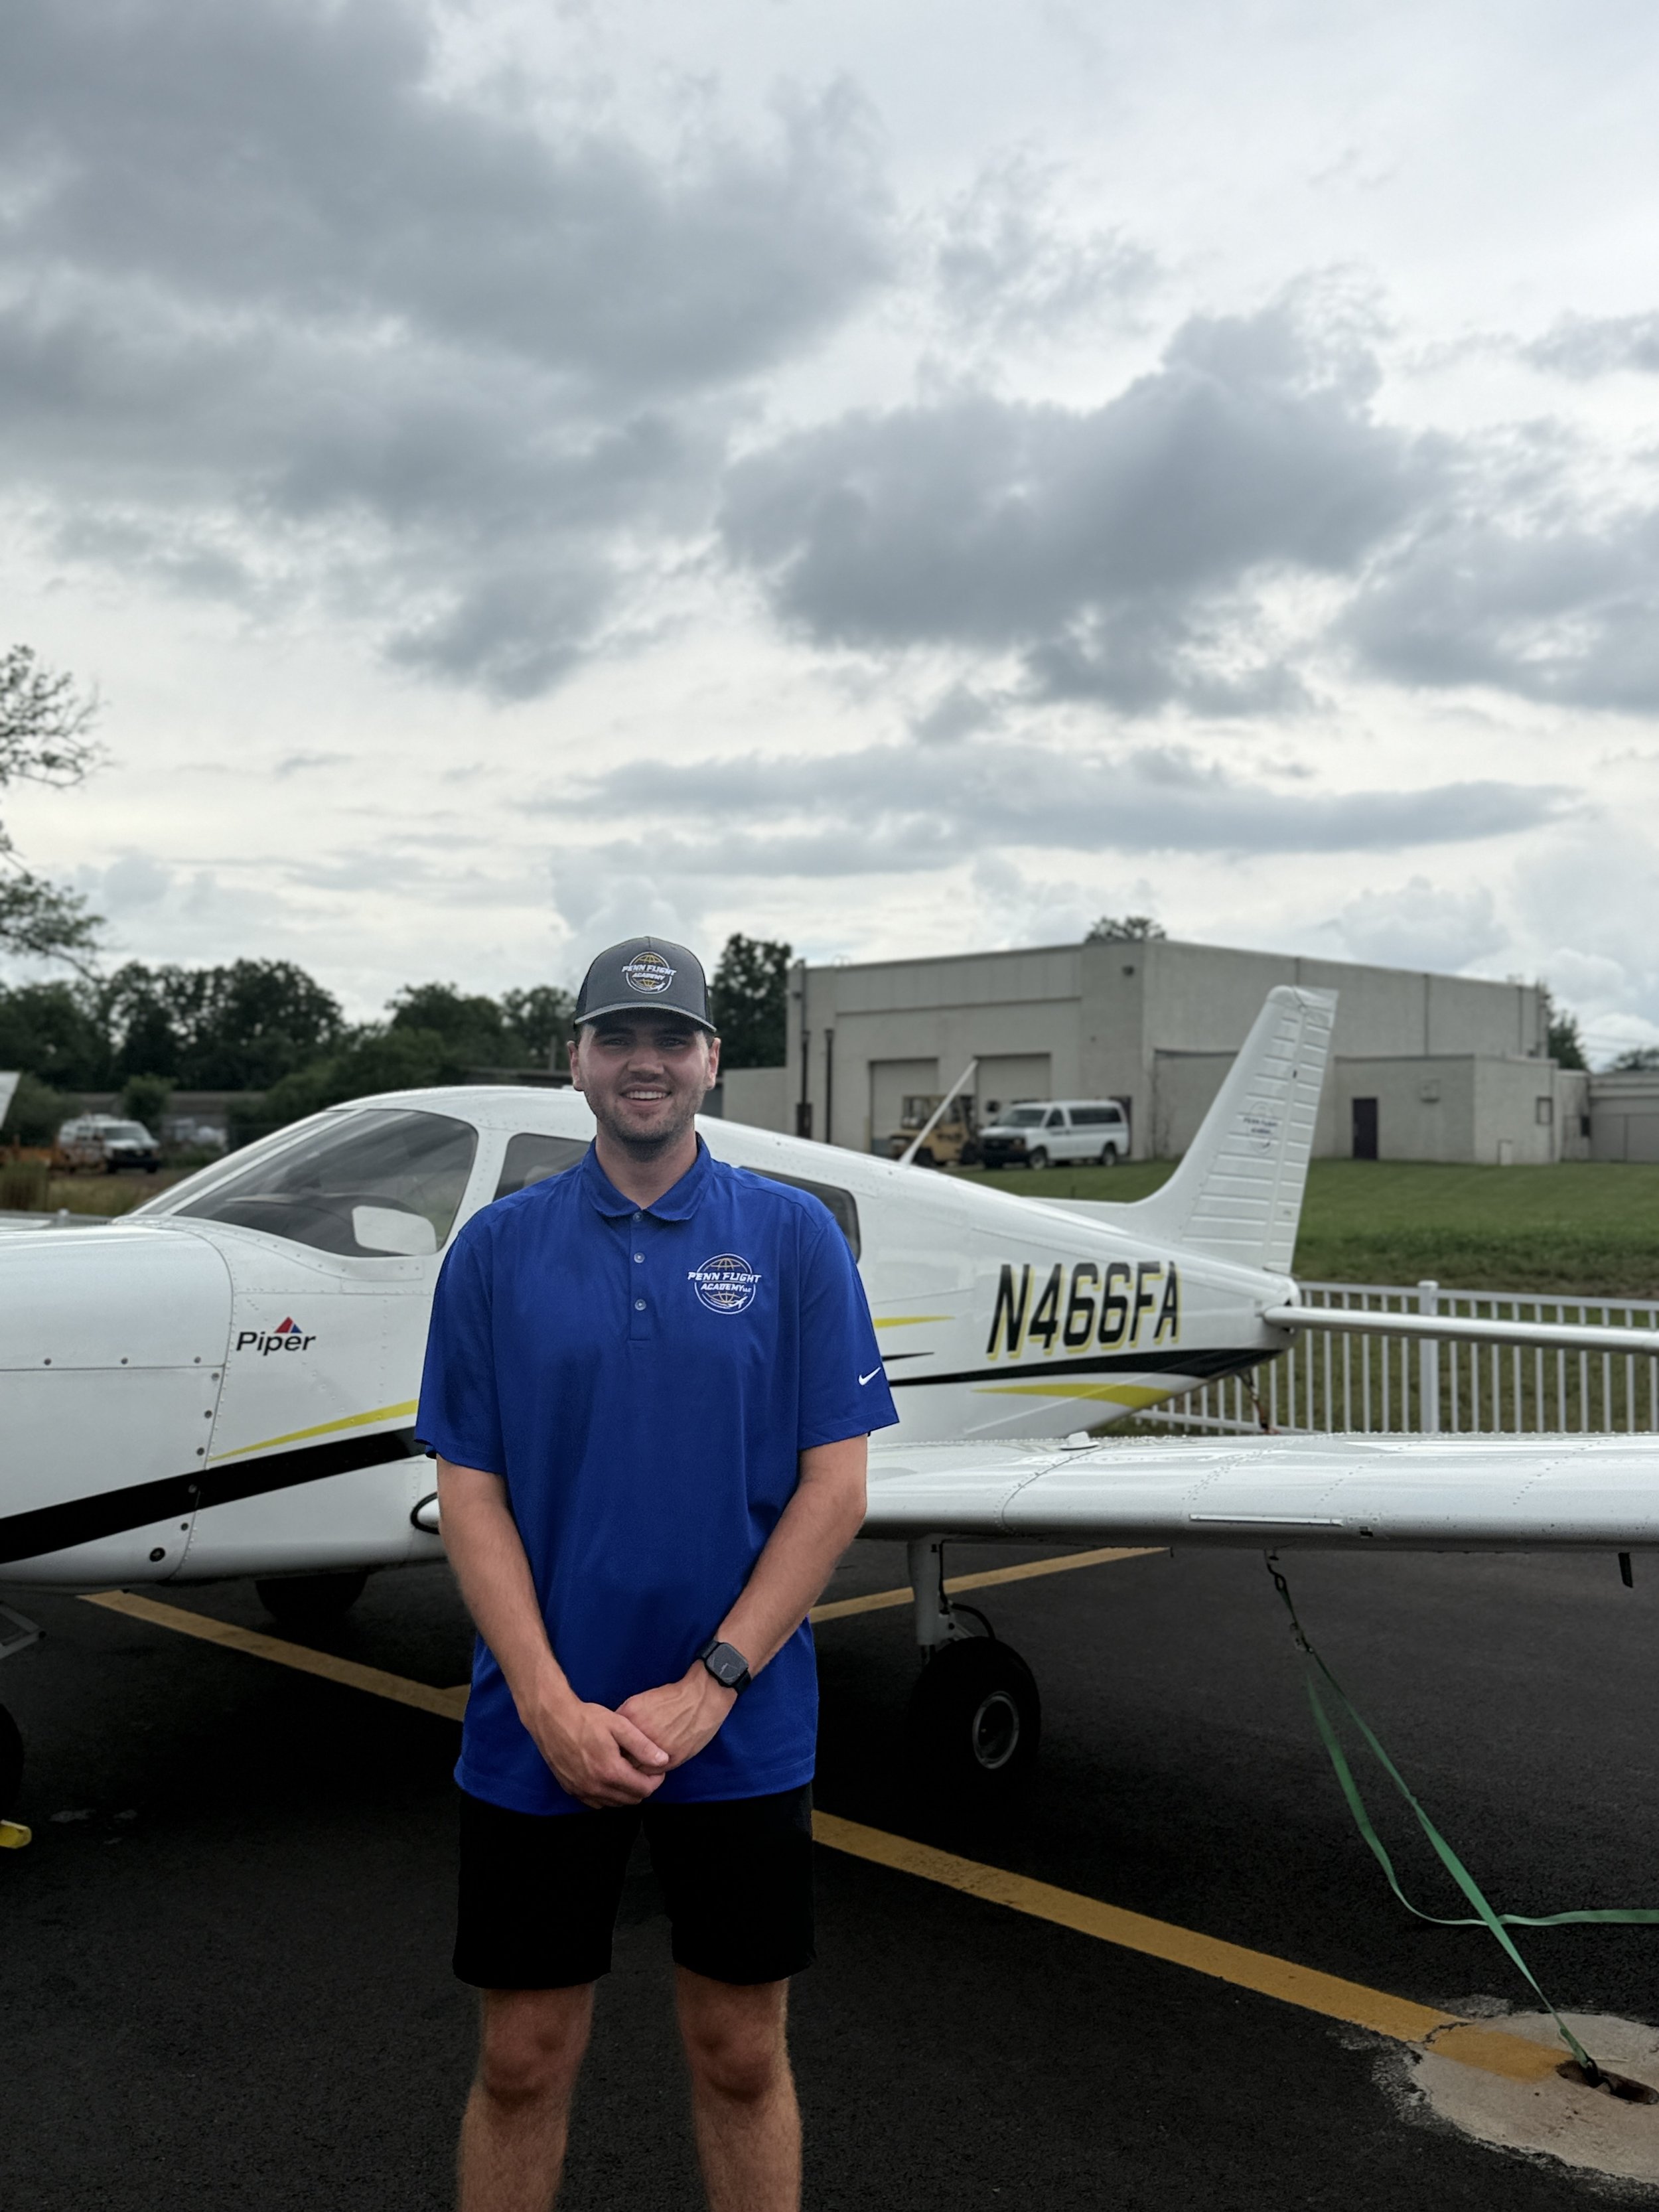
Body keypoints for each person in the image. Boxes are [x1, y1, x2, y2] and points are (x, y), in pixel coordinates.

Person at [417, 934, 899, 2212]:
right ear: (576, 1061)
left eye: (671, 1038)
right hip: (536, 1725)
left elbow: (836, 1487)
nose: (647, 1062)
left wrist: (712, 1682)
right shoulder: (495, 1251)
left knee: (741, 2052)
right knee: (522, 2058)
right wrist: (546, 1702)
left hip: (741, 1724)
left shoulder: (793, 1238)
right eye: (618, 1038)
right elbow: (470, 1490)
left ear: (711, 1060)